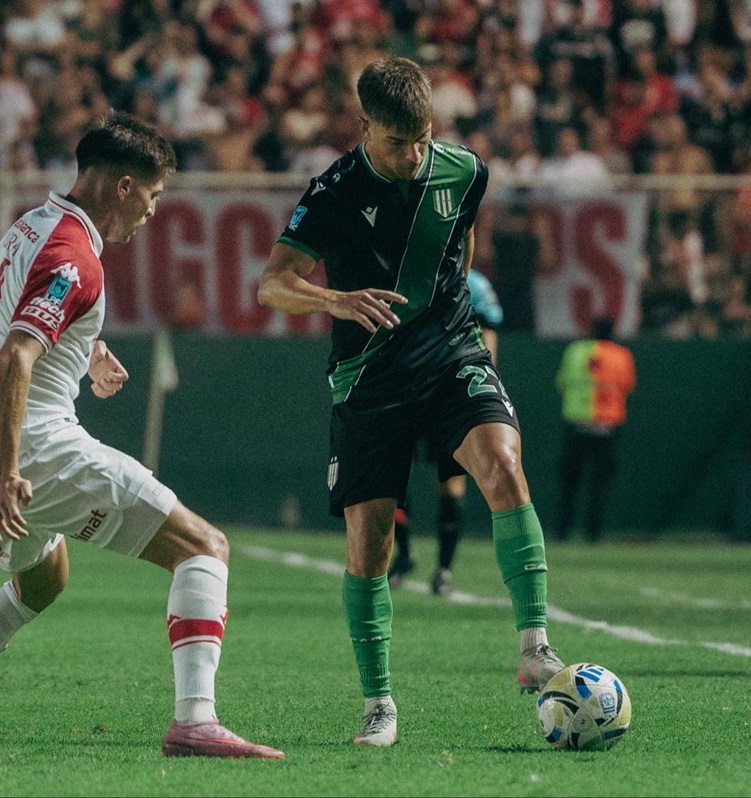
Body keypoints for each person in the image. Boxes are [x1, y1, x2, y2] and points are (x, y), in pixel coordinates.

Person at [0, 112, 282, 760]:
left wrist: (89, 349)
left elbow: (19, 319)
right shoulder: (75, 256)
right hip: (31, 454)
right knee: (204, 547)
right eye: (151, 196)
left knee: (43, 582)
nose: (151, 212)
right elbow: (15, 356)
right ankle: (196, 721)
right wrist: (10, 473)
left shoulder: (29, 228)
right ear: (123, 186)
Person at [257, 56, 565, 748]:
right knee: (371, 542)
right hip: (369, 376)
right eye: (398, 142)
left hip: (451, 354)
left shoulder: (464, 170)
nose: (414, 154)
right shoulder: (333, 191)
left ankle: (534, 644)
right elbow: (272, 284)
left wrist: (454, 311)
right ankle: (379, 705)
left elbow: (463, 238)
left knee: (504, 465)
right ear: (365, 126)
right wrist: (336, 299)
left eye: (423, 138)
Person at [387, 267, 503, 596]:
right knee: (389, 478)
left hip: (449, 395)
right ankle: (405, 553)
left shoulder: (474, 284)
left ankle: (444, 569)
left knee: (451, 482)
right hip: (406, 390)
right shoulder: (406, 271)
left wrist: (482, 386)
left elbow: (489, 334)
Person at [553, 316, 636, 542]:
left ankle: (562, 531)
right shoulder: (621, 355)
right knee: (599, 485)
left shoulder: (575, 351)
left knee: (569, 483)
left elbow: (562, 382)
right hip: (607, 427)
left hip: (576, 424)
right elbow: (627, 385)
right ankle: (594, 533)